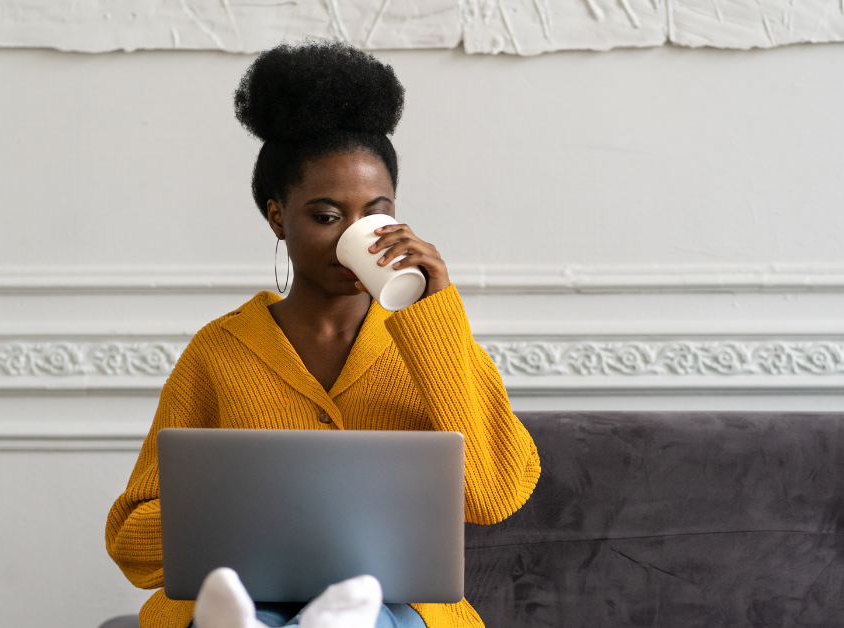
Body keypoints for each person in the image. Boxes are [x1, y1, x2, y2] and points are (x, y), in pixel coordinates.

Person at [105, 41, 541, 628]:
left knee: (373, 617)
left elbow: (494, 495)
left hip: (396, 606)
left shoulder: (434, 340)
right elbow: (131, 542)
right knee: (252, 613)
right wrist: (246, 523)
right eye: (327, 216)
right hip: (243, 592)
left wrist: (433, 313)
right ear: (277, 216)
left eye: (376, 212)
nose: (352, 237)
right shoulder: (219, 352)